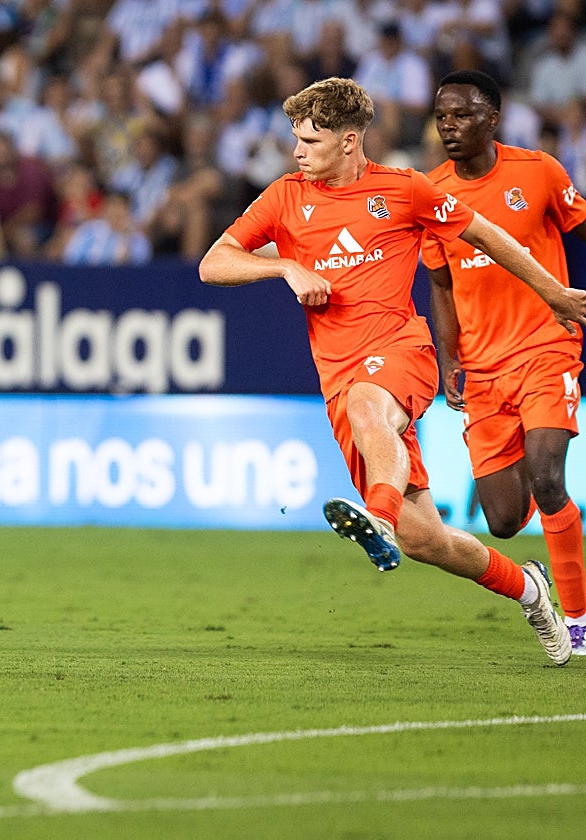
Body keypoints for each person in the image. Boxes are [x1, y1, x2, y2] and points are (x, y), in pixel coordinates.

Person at [197, 77, 586, 666]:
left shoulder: (405, 189)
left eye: (310, 139)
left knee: (367, 405)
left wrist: (553, 292)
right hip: (338, 373)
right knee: (424, 539)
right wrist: (282, 271)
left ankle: (375, 516)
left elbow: (489, 236)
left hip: (401, 351)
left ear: (350, 141)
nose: (297, 151)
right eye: (295, 139)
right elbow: (212, 263)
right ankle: (531, 591)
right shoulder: (284, 196)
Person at [421, 70, 586, 654]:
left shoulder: (537, 171)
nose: (449, 126)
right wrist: (449, 359)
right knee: (503, 520)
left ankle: (578, 621)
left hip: (546, 347)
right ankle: (537, 577)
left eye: (461, 115)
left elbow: (581, 225)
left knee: (548, 479)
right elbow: (439, 285)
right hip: (484, 370)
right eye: (442, 116)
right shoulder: (433, 193)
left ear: (492, 118)